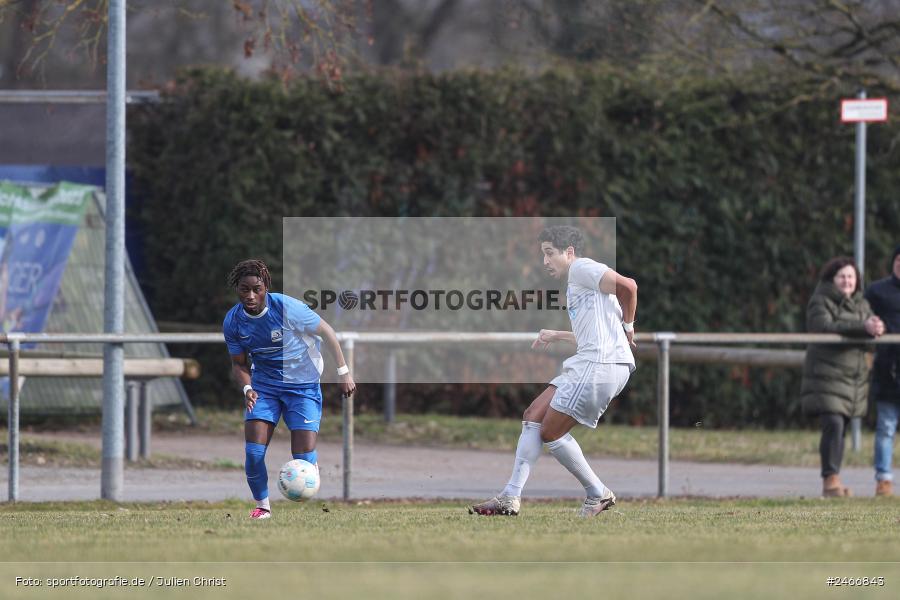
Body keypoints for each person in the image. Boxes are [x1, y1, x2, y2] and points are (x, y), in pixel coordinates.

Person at [471, 225, 637, 517]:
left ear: (569, 253)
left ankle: (597, 493)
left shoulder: (582, 269)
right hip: (591, 360)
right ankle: (510, 497)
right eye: (543, 254)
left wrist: (629, 325)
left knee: (551, 431)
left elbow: (630, 286)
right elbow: (595, 333)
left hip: (599, 364)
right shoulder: (579, 282)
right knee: (533, 415)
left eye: (549, 253)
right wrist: (557, 335)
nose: (545, 261)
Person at [223, 259, 356, 519]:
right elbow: (238, 364)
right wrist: (247, 388)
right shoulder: (233, 321)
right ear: (237, 289)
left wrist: (343, 372)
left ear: (266, 288)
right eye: (244, 289)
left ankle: (309, 468)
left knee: (303, 455)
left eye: (256, 289)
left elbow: (327, 332)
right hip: (264, 387)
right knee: (253, 452)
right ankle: (262, 507)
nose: (250, 296)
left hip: (302, 385)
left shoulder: (287, 308)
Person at [801, 257, 883, 497]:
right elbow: (824, 327)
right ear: (832, 280)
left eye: (851, 277)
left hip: (852, 380)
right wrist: (863, 328)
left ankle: (834, 478)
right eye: (842, 277)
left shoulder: (862, 304)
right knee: (834, 426)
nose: (847, 281)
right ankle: (830, 480)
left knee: (840, 429)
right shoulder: (820, 301)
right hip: (826, 377)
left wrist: (877, 328)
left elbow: (867, 333)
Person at [865, 245, 900, 497]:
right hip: (888, 371)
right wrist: (871, 324)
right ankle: (884, 479)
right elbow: (862, 316)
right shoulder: (877, 291)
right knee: (886, 427)